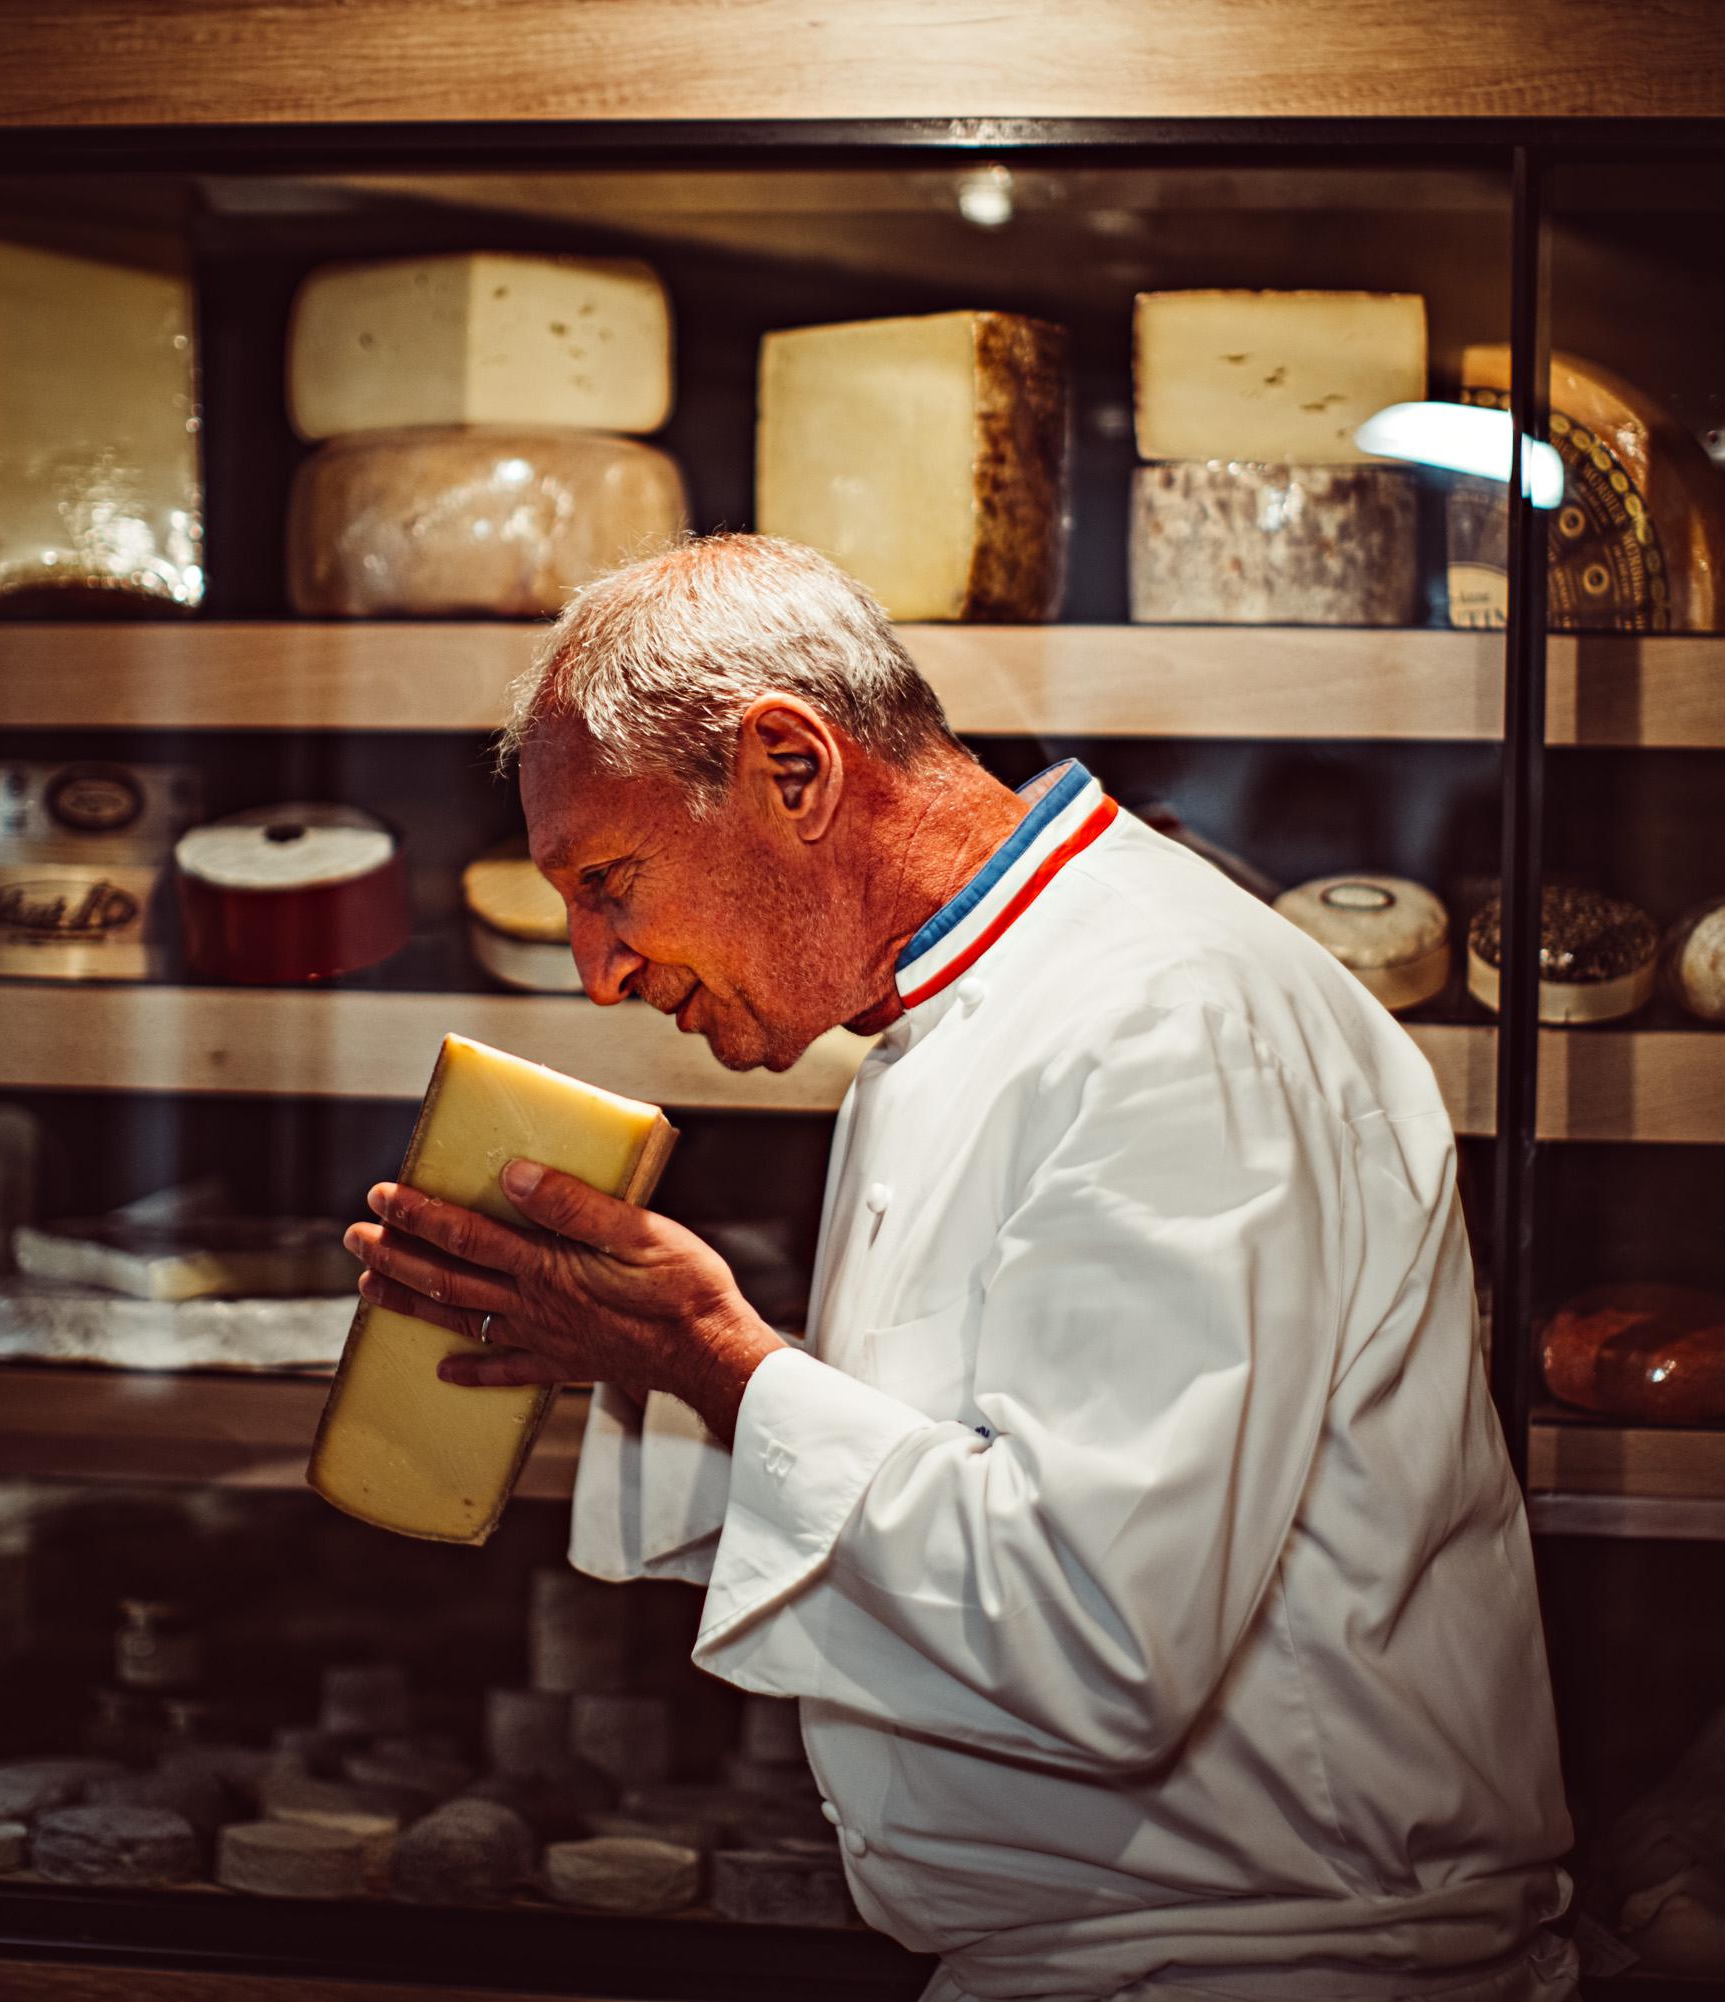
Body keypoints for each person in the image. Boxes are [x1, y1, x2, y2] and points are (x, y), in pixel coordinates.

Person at [341, 535, 1576, 2002]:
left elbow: (1106, 1638)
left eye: (610, 881)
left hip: (1272, 1964)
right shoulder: (976, 1007)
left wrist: (721, 1363)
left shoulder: (1162, 1023)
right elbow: (965, 1474)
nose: (597, 968)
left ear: (792, 769)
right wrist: (638, 1351)